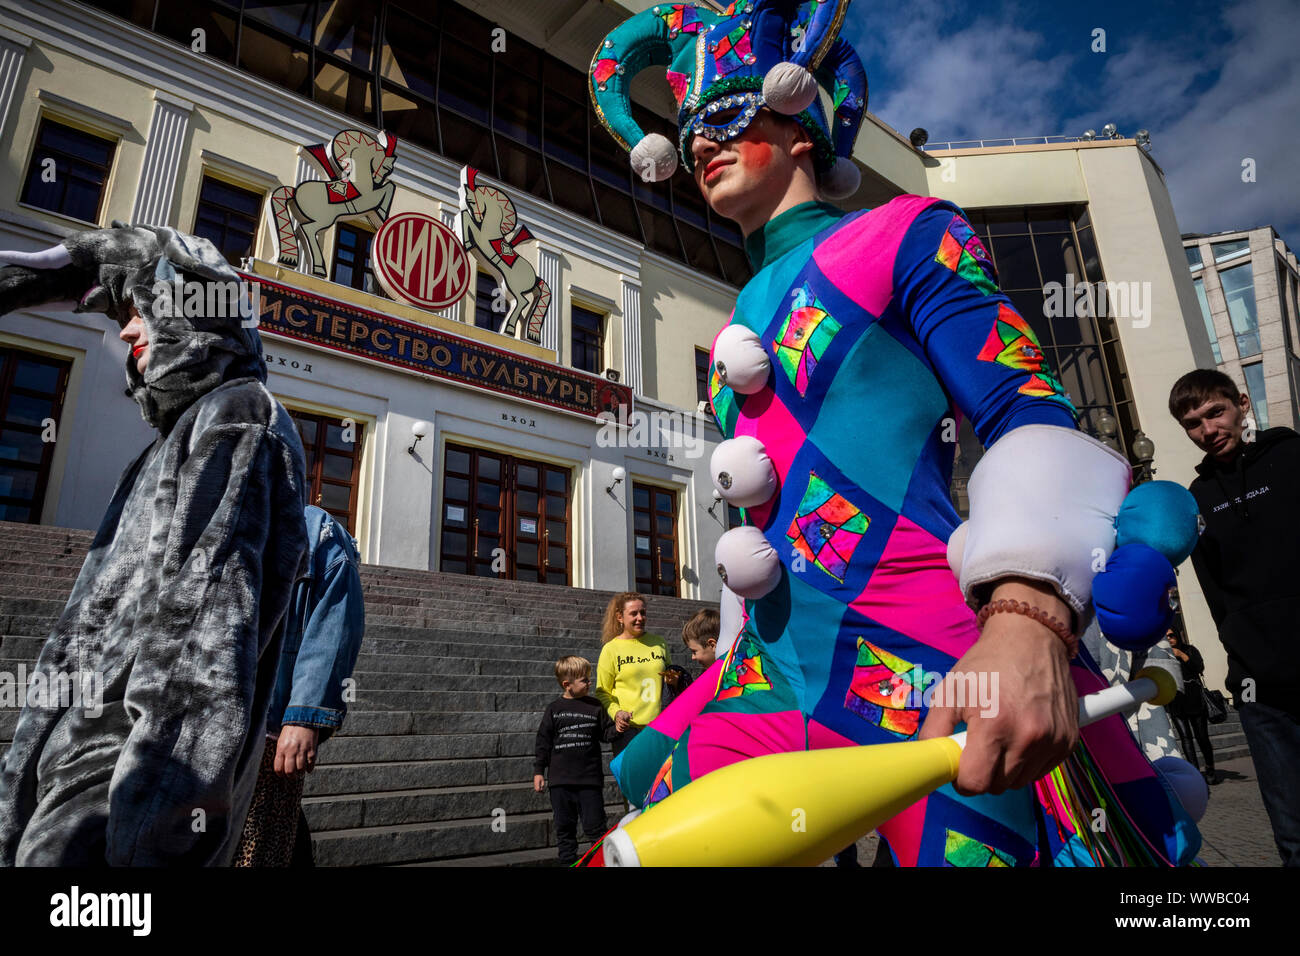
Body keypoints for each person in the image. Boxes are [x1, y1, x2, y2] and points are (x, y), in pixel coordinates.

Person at [590, 1, 1197, 866]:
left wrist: (1027, 616)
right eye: (686, 132)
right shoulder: (744, 310)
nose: (699, 145)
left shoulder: (907, 231)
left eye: (727, 115)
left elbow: (1026, 407)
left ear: (802, 128)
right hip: (772, 677)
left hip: (925, 660)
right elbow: (754, 529)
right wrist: (725, 662)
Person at [0, 223, 308, 865]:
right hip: (80, 784)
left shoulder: (237, 417)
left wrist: (153, 843)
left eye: (140, 312)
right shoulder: (179, 437)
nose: (127, 333)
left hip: (110, 806)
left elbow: (199, 660)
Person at [1169, 367, 1300, 864]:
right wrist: (1238, 661)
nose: (1208, 429)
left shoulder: (1291, 457)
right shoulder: (1197, 499)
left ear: (1241, 403)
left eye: (1215, 412)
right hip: (1259, 690)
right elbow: (1214, 593)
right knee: (1291, 834)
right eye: (1193, 424)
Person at [234, 505, 366, 867]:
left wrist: (304, 716)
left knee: (262, 846)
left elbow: (336, 623)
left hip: (266, 735)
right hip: (195, 733)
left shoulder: (317, 528)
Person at [534, 656, 617, 865]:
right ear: (567, 685)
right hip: (560, 782)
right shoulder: (554, 709)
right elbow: (543, 741)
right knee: (565, 830)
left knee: (596, 829)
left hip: (589, 781)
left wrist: (618, 727)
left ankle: (600, 862)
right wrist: (538, 771)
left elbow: (605, 734)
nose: (590, 683)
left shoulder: (595, 706)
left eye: (589, 678)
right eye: (584, 680)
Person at [594, 593, 669, 759]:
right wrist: (617, 713)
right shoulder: (611, 649)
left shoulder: (660, 643)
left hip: (659, 728)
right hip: (628, 731)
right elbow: (602, 691)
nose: (640, 618)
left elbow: (669, 679)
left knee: (660, 784)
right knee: (632, 784)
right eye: (634, 613)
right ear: (620, 617)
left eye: (643, 613)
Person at [1164, 628, 1217, 785]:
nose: (1170, 639)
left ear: (1178, 636)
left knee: (1202, 737)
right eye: (1166, 636)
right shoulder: (1163, 653)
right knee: (1185, 738)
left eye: (1172, 635)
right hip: (1175, 701)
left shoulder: (1190, 649)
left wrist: (1182, 655)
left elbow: (1199, 668)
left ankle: (1210, 768)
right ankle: (1194, 773)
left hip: (1194, 699)